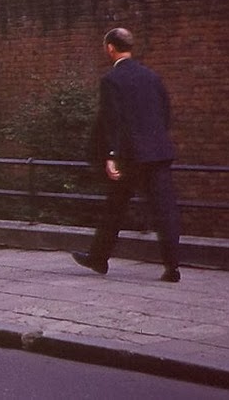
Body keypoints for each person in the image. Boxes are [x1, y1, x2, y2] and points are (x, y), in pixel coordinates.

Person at [72, 28, 182, 283]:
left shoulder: (111, 80)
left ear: (110, 48)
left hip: (130, 157)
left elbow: (113, 121)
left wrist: (111, 155)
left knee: (114, 207)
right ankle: (172, 267)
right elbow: (165, 112)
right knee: (165, 210)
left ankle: (98, 258)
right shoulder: (152, 77)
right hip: (157, 153)